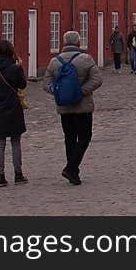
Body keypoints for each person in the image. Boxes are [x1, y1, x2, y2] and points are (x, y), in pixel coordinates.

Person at [43, 30, 103, 185]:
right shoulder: (86, 59)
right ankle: (71, 168)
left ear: (64, 43)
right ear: (78, 42)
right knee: (84, 137)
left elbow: (46, 83)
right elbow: (97, 79)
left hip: (64, 107)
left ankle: (73, 172)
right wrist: (81, 91)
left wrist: (58, 92)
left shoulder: (55, 61)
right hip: (83, 107)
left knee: (69, 138)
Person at [0, 40, 28, 187]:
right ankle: (18, 173)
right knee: (15, 141)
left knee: (0, 143)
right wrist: (19, 67)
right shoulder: (14, 68)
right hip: (13, 107)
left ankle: (0, 175)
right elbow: (22, 84)